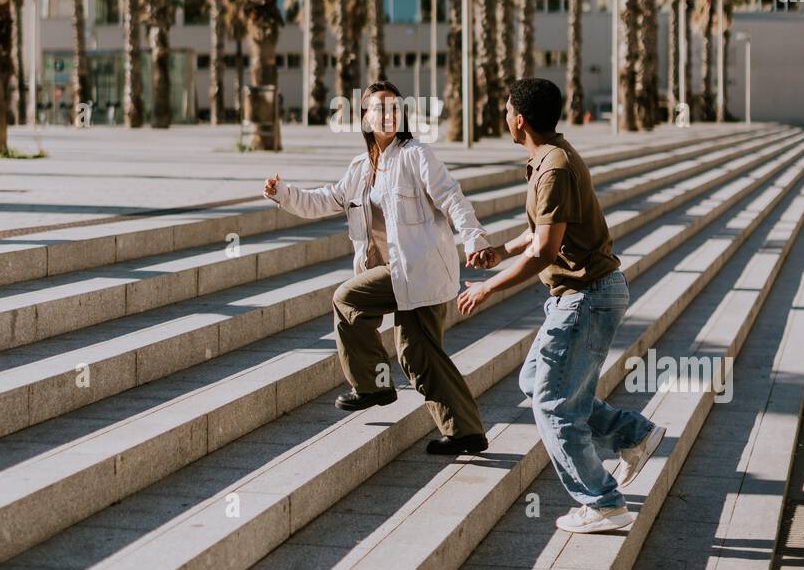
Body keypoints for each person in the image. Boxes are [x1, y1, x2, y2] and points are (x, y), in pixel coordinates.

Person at [457, 78, 666, 533]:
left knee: (553, 403)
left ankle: (602, 500)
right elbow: (542, 233)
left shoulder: (553, 169)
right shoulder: (550, 156)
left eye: (507, 109)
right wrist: (500, 250)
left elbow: (546, 252)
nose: (504, 117)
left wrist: (487, 287)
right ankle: (633, 434)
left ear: (519, 119)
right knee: (536, 381)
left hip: (586, 298)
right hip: (581, 296)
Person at [264, 80, 496, 456]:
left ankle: (375, 387)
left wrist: (474, 239)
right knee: (418, 354)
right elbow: (325, 200)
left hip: (419, 274)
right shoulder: (361, 169)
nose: (387, 115)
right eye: (379, 108)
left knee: (358, 308)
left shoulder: (416, 155)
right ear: (365, 118)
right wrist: (283, 194)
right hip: (395, 276)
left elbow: (452, 198)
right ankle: (464, 430)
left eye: (394, 108)